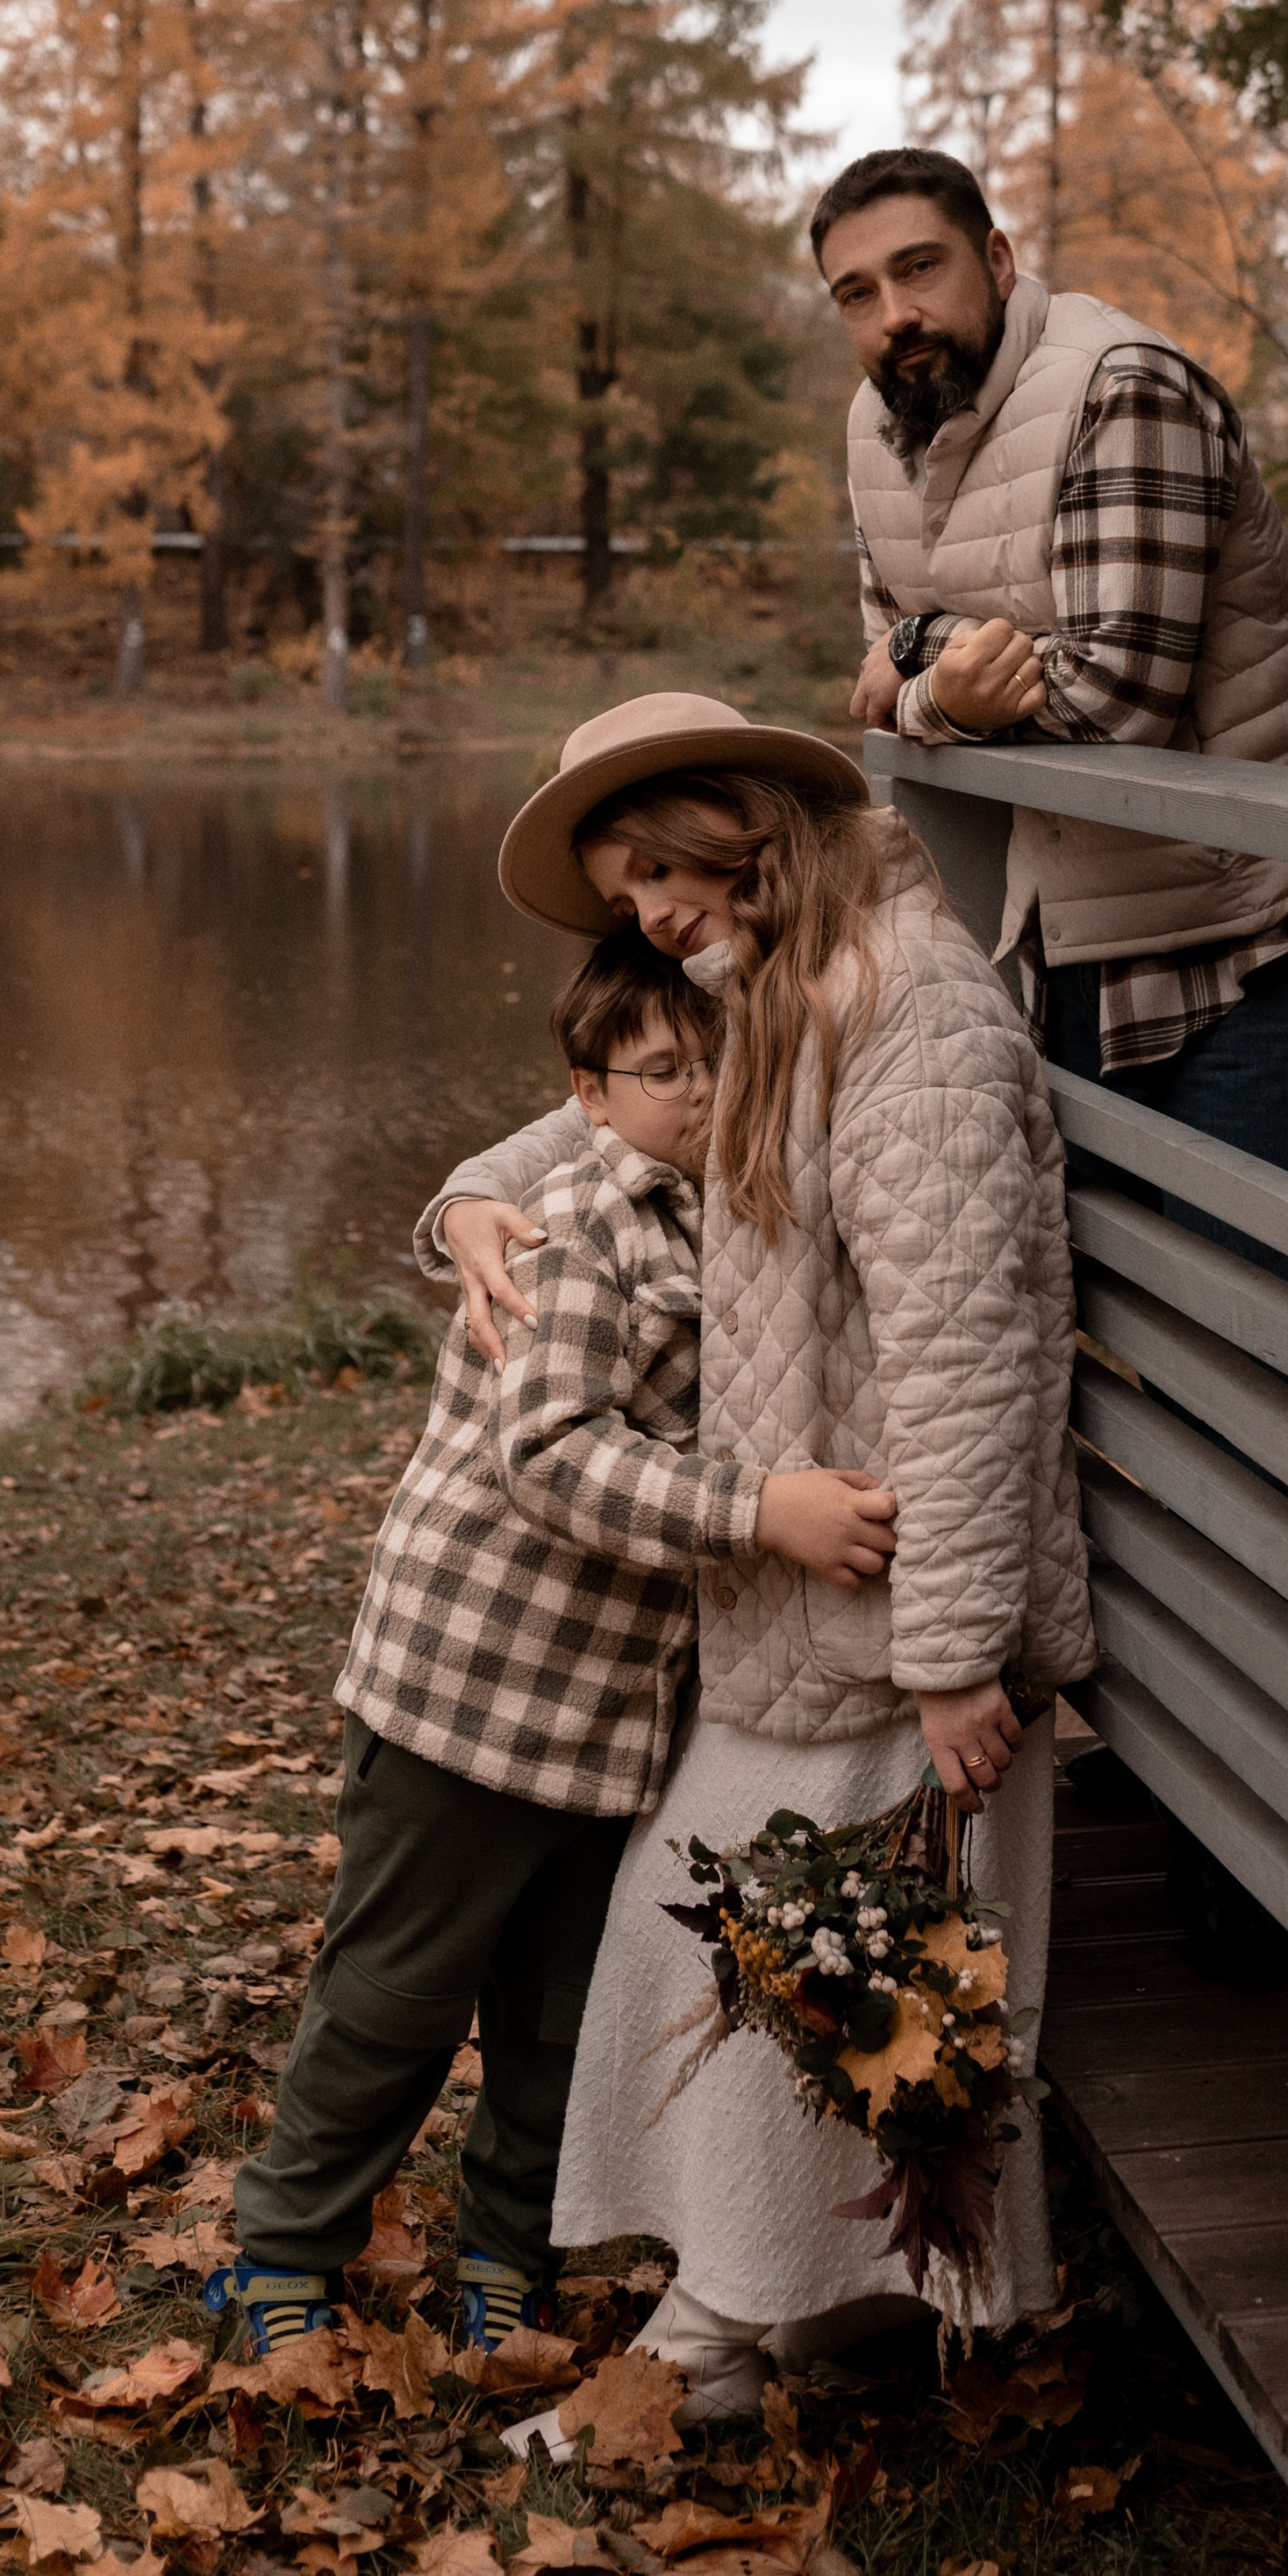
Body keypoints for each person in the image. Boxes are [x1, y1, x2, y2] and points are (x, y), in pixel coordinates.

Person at [424, 691, 1092, 2419]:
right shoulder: (787, 989)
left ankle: (725, 2335)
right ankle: (807, 2308)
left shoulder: (911, 1019)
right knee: (748, 1947)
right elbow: (623, 1110)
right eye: (618, 887)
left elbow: (963, 1350)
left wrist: (951, 1646)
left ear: (745, 821)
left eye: (660, 862)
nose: (646, 909)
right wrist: (471, 1198)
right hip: (817, 1602)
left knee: (769, 1943)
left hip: (899, 1608)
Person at [212, 919, 898, 2361]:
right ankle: (283, 2248)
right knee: (397, 1991)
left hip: (610, 1714)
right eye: (661, 1076)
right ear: (588, 1096)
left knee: (558, 2021)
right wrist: (759, 1510)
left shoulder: (742, 1215)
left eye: (718, 1066)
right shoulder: (587, 1226)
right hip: (468, 1685)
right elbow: (550, 1455)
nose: (700, 1097)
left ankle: (508, 2255)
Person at [814, 142, 1288, 1277]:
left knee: (1242, 1342)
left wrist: (928, 655)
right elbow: (882, 685)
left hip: (1252, 940)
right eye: (858, 294)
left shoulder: (1124, 386)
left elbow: (1119, 701)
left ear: (1000, 258)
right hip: (1067, 934)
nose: (895, 314)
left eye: (921, 269)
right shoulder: (878, 430)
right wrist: (935, 680)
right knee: (1089, 1332)